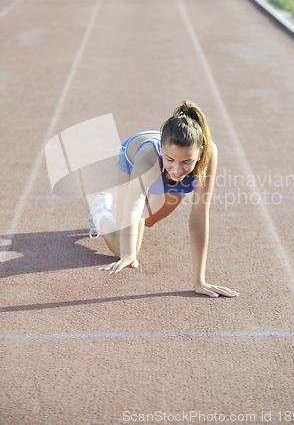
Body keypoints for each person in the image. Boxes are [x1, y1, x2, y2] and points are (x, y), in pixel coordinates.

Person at [88, 101, 239, 299]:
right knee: (121, 247)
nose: (177, 170)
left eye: (186, 162)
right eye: (171, 159)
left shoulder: (209, 154)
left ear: (200, 152)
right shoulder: (149, 156)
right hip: (136, 163)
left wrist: (199, 281)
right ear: (161, 148)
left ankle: (173, 163)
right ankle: (100, 210)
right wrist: (128, 254)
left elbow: (199, 217)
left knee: (150, 221)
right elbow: (135, 203)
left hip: (167, 167)